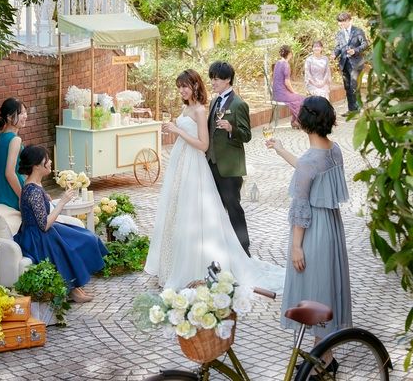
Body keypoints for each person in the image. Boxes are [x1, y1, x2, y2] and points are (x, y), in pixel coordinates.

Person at [145, 69, 284, 292]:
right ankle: (175, 265)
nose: (181, 90)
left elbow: (204, 144)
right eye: (179, 87)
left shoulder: (207, 109)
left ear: (195, 86)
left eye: (185, 86)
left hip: (202, 164)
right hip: (184, 163)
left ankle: (230, 256)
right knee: (181, 213)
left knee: (218, 212)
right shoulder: (194, 107)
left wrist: (178, 131)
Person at [266, 96, 352, 370]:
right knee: (326, 287)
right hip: (331, 228)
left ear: (304, 123)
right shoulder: (334, 150)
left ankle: (323, 361)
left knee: (313, 290)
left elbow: (301, 206)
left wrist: (296, 246)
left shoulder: (309, 161)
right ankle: (327, 357)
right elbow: (309, 169)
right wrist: (281, 150)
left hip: (313, 231)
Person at [14, 145, 108, 303]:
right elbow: (44, 225)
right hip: (36, 237)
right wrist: (63, 201)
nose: (50, 162)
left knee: (87, 237)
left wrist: (46, 198)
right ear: (36, 166)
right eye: (46, 159)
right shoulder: (32, 190)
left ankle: (75, 286)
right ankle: (73, 289)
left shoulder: (34, 185)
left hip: (41, 232)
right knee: (66, 246)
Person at [207, 61, 252, 255]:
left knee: (233, 207)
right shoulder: (213, 102)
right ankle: (221, 247)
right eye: (212, 78)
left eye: (216, 79)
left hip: (230, 166)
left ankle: (244, 249)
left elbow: (247, 135)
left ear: (227, 80)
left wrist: (231, 128)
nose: (213, 82)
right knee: (214, 208)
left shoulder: (238, 104)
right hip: (211, 163)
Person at [0, 98, 27, 210]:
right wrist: (22, 196)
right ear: (9, 117)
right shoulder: (15, 140)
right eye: (21, 113)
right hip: (12, 190)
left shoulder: (0, 136)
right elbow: (9, 173)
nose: (25, 116)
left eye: (25, 112)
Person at [333, 12, 368, 115]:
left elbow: (365, 44)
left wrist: (355, 50)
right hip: (344, 63)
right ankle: (352, 110)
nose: (340, 24)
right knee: (347, 87)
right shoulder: (339, 33)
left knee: (354, 86)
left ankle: (357, 109)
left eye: (342, 22)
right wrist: (334, 54)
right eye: (339, 22)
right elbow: (338, 47)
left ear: (348, 20)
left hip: (356, 64)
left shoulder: (358, 31)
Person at [272, 45, 305, 128]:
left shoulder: (277, 63)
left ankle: (295, 121)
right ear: (289, 54)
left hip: (276, 94)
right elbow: (287, 82)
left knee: (296, 98)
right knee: (301, 98)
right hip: (282, 94)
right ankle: (297, 121)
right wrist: (293, 91)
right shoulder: (286, 65)